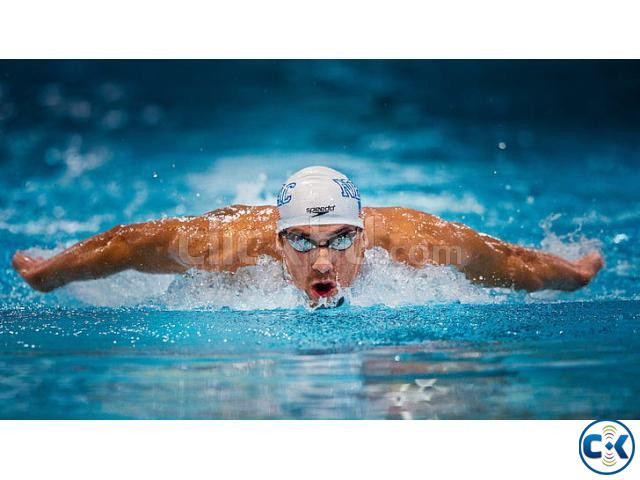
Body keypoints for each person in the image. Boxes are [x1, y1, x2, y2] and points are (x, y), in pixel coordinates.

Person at [12, 166, 604, 306]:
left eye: (341, 239)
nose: (323, 259)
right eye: (301, 242)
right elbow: (123, 243)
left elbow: (509, 263)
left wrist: (572, 274)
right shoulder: (224, 244)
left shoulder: (417, 242)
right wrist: (50, 273)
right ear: (276, 243)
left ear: (366, 237)